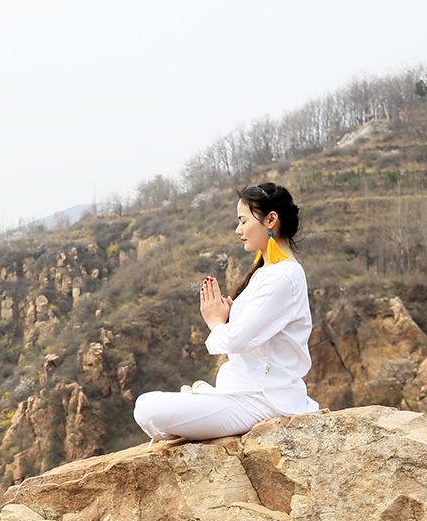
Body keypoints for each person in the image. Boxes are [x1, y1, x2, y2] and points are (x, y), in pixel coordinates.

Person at [134, 182, 320, 443]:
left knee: (147, 407)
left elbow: (236, 340)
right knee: (149, 404)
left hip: (263, 399)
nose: (238, 230)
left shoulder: (284, 276)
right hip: (245, 393)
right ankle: (202, 399)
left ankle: (199, 401)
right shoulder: (269, 273)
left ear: (270, 220)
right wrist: (231, 318)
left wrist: (216, 321)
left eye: (243, 221)